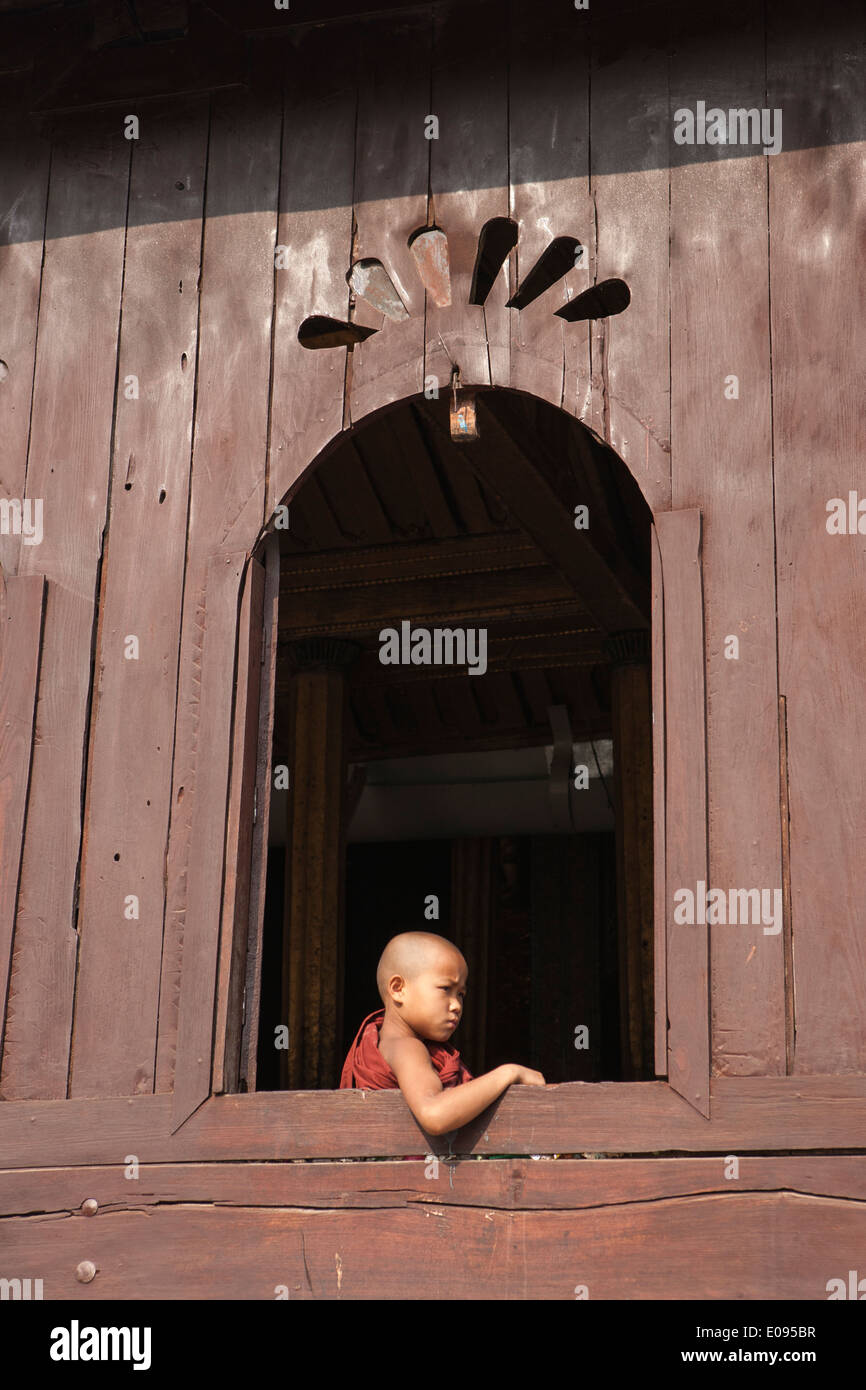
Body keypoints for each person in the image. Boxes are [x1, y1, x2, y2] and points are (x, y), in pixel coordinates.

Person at [340, 930, 546, 1135]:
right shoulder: (407, 1047)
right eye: (446, 988)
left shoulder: (387, 1041)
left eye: (461, 994)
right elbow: (434, 1114)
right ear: (398, 988)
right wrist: (509, 1073)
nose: (456, 1005)